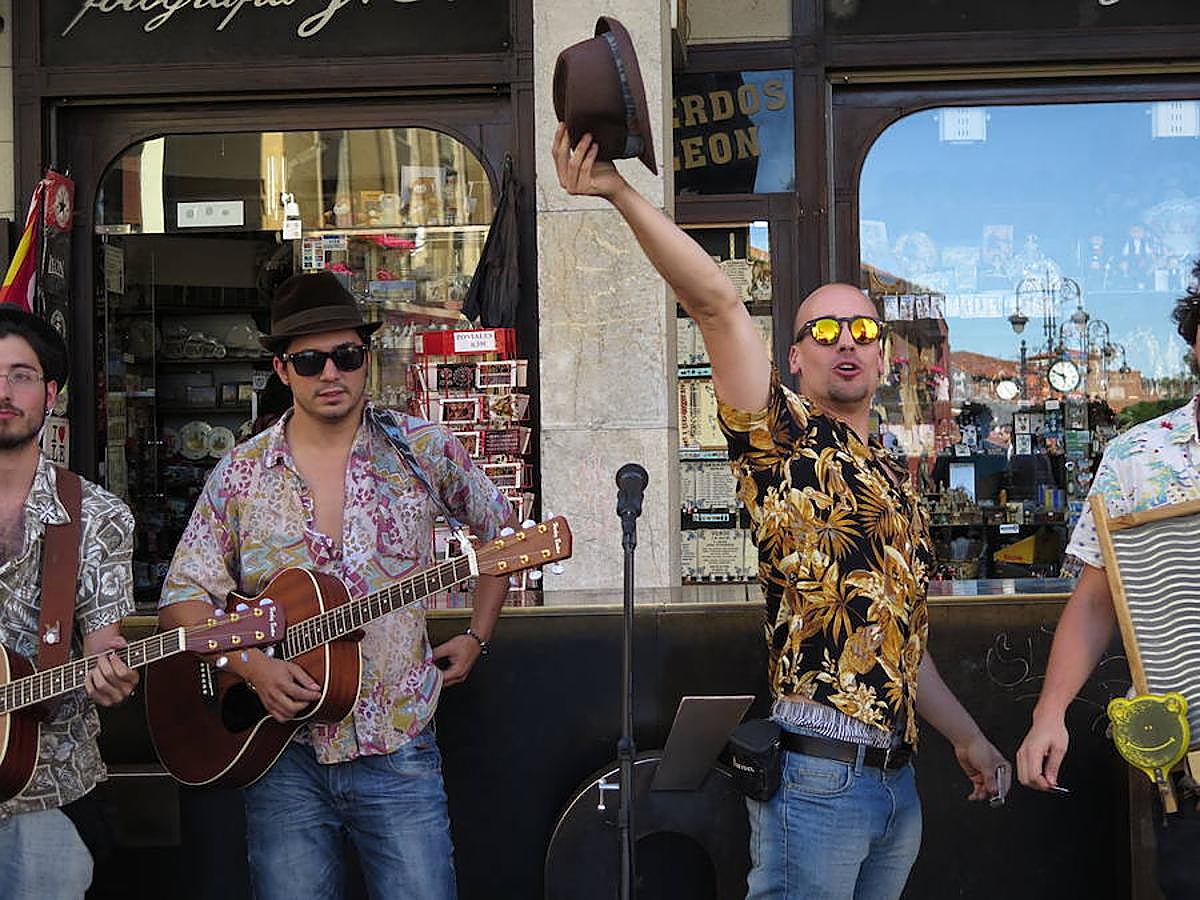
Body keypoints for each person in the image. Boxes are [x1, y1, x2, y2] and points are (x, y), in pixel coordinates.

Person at [552, 124, 1009, 899]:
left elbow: (901, 638)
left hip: (896, 787)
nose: (847, 344)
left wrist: (966, 736)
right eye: (823, 331)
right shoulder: (782, 437)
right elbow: (716, 300)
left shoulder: (893, 481)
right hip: (818, 783)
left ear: (884, 355)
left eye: (863, 331)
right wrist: (620, 194)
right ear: (794, 357)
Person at [157, 272, 515, 900]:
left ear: (366, 359)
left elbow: (501, 535)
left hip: (397, 741)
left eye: (347, 356)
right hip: (278, 754)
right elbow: (183, 598)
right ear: (282, 369)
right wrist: (252, 667)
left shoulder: (421, 450)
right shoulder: (242, 471)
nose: (331, 374)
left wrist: (478, 634)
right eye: (310, 360)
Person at [1017, 263, 1200, 898]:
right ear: (1195, 339)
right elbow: (1097, 601)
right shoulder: (1138, 458)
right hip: (1192, 768)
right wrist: (1050, 714)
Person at [0, 306, 138, 897]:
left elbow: (105, 640)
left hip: (47, 794)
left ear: (50, 393)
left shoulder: (97, 516)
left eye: (21, 375)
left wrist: (111, 672)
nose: (3, 391)